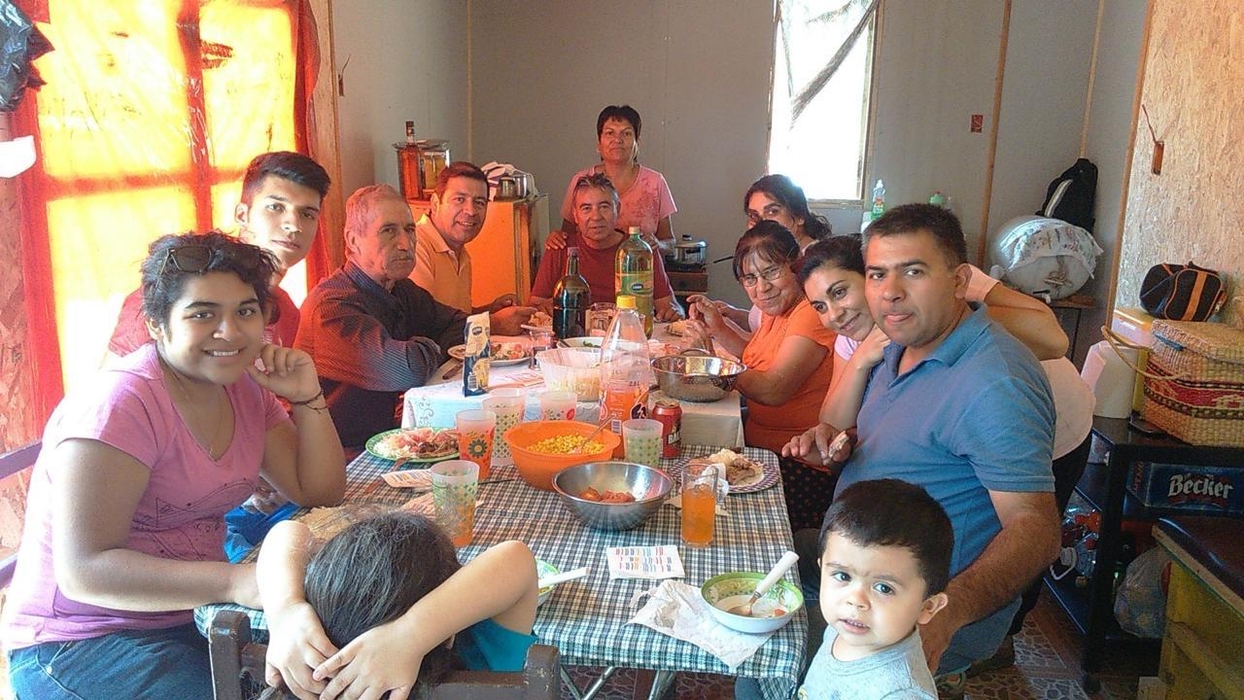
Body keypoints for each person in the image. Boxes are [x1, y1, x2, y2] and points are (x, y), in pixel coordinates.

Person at [2, 232, 346, 699]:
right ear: (157, 324)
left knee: (335, 666)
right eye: (202, 314)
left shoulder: (244, 389)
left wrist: (307, 397)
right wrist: (237, 582)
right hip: (78, 642)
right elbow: (84, 571)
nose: (230, 331)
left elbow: (318, 491)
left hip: (191, 615)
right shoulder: (120, 405)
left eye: (246, 311)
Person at [787, 204, 1060, 699]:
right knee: (752, 562)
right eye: (877, 274)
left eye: (912, 271)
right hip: (861, 562)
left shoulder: (994, 382)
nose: (890, 291)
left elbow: (1037, 530)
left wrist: (950, 612)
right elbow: (913, 450)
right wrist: (843, 450)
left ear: (959, 281)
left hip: (908, 610)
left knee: (765, 652)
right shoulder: (898, 345)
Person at [295, 184, 532, 449]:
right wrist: (427, 347)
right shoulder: (331, 308)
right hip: (335, 453)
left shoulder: (400, 289)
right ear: (353, 240)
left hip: (385, 435)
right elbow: (409, 369)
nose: (406, 244)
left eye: (409, 230)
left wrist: (424, 347)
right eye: (388, 231)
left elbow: (456, 323)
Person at [259, 514, 537, 700]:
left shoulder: (306, 663)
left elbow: (287, 531)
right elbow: (517, 558)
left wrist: (285, 609)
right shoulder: (484, 661)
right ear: (449, 635)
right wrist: (411, 633)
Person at [682, 221, 836, 530]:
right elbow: (758, 358)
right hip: (760, 447)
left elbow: (772, 389)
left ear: (796, 266)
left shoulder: (809, 313)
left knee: (696, 497)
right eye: (750, 278)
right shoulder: (776, 311)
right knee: (685, 460)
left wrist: (713, 366)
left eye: (771, 272)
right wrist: (719, 328)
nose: (762, 287)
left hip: (797, 465)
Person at [107, 151, 332, 357]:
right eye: (275, 207)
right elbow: (116, 383)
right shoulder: (175, 290)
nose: (294, 225)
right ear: (242, 215)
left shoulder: (287, 312)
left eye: (307, 214)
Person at [799, 479, 952, 700]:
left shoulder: (900, 694)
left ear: (927, 607)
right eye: (843, 576)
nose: (855, 600)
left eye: (884, 588)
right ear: (822, 569)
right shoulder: (845, 626)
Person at [529, 173, 684, 321]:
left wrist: (674, 313)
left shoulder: (640, 251)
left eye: (604, 207)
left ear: (618, 209)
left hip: (627, 333)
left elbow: (670, 307)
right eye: (586, 208)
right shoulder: (560, 248)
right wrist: (544, 308)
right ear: (575, 215)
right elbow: (535, 307)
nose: (596, 217)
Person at [410, 161, 536, 317]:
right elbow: (423, 322)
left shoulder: (460, 253)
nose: (471, 211)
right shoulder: (416, 246)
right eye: (459, 199)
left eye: (479, 202)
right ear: (435, 204)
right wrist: (494, 323)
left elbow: (456, 318)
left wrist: (490, 310)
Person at [545, 105, 677, 252]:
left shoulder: (655, 182)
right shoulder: (582, 181)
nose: (618, 140)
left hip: (641, 265)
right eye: (609, 133)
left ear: (637, 143)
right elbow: (568, 236)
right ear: (599, 144)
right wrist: (557, 238)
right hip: (589, 264)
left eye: (626, 133)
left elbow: (669, 241)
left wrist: (657, 244)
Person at [715, 174, 834, 335]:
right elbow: (768, 329)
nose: (762, 223)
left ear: (800, 215)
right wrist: (733, 315)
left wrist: (720, 330)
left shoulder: (817, 268)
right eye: (754, 216)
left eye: (772, 212)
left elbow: (788, 337)